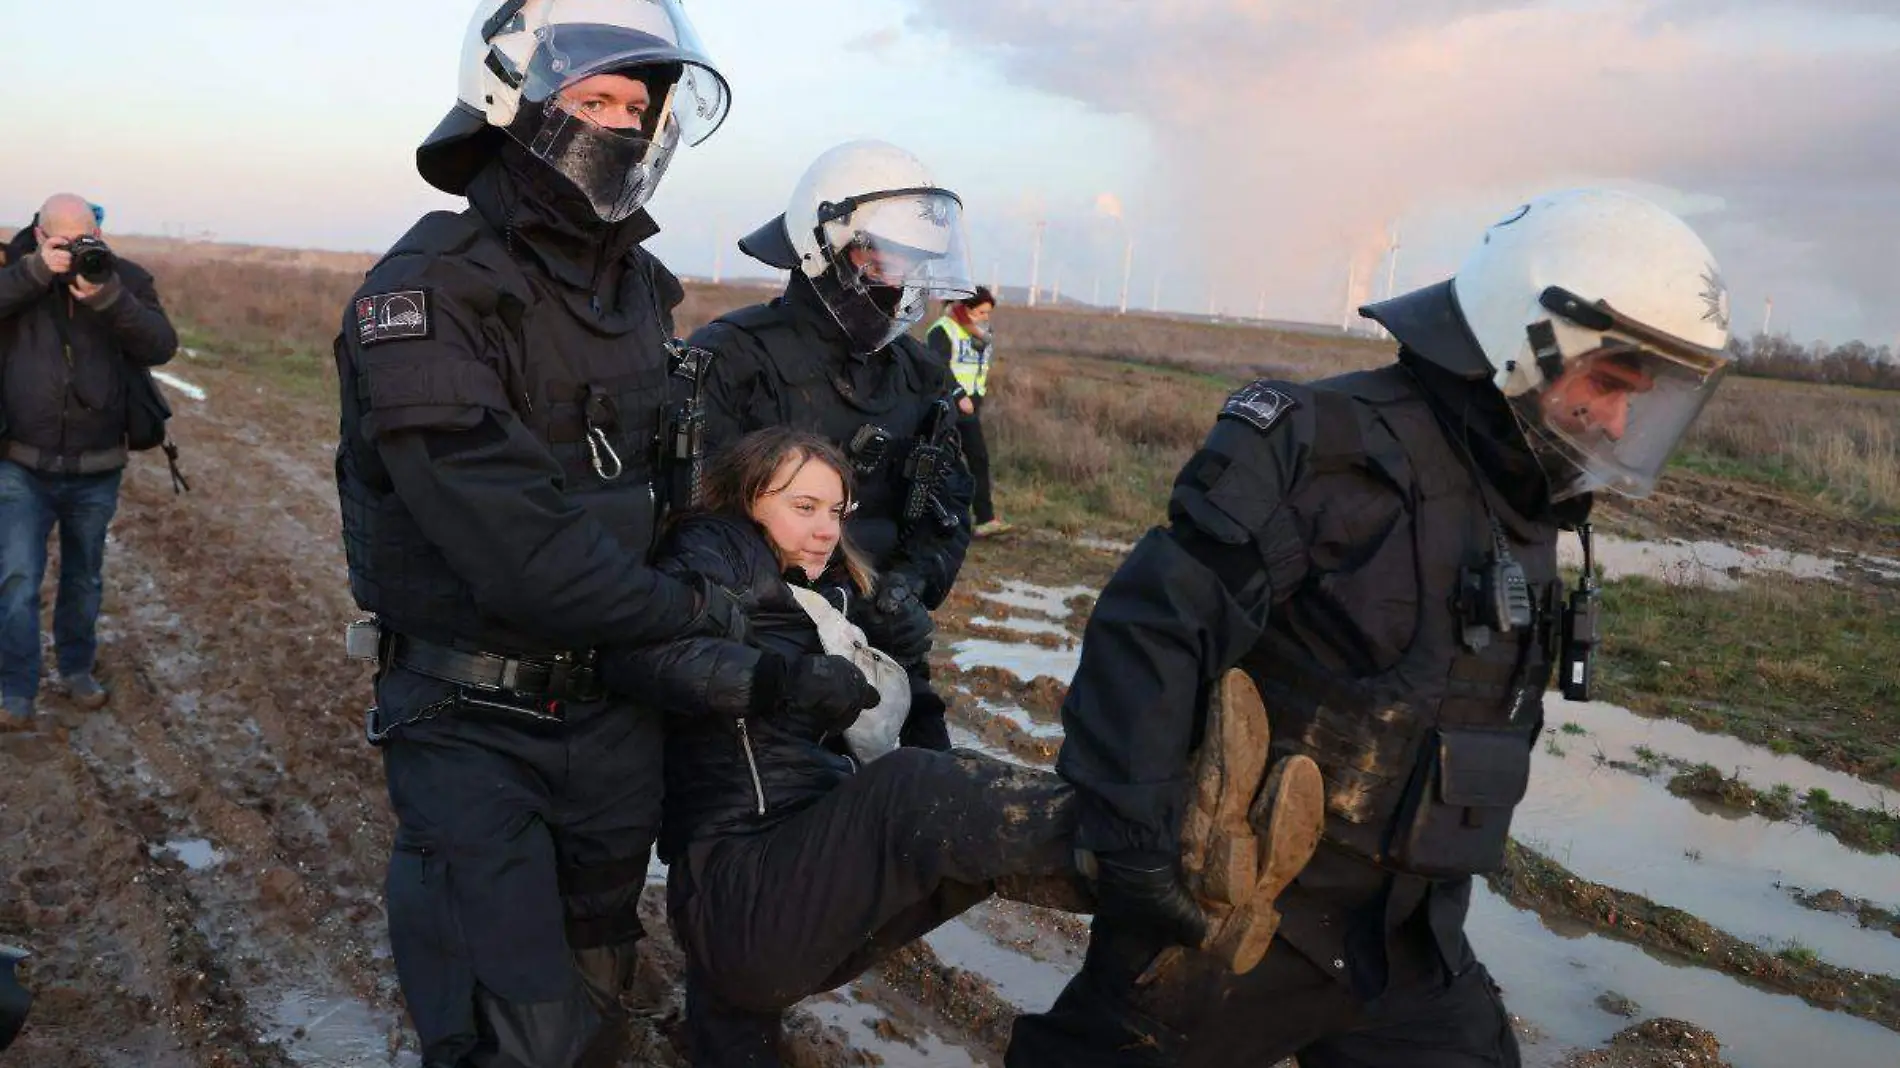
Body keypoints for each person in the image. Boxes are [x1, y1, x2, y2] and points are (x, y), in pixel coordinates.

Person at [1005, 189, 1736, 1068]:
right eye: (1606, 384)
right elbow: (1150, 633)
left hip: (1412, 948)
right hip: (1244, 920)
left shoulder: (1531, 502)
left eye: (1635, 398)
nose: (1617, 421)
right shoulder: (1328, 446)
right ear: (1526, 341)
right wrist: (1131, 846)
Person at [599, 426, 1319, 1067]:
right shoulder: (714, 553)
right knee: (914, 792)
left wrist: (905, 660)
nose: (825, 530)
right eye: (803, 507)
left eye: (836, 512)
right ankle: (1175, 830)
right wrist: (780, 680)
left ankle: (1193, 890)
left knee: (954, 831)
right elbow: (651, 657)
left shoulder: (830, 607)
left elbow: (910, 739)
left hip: (787, 914)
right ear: (747, 499)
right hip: (741, 889)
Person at [329, 2, 750, 1063]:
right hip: (473, 720)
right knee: (509, 1023)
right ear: (508, 102)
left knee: (599, 981)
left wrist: (712, 565)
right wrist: (695, 612)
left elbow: (679, 492)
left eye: (638, 105)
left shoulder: (642, 294)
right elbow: (515, 543)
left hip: (615, 722)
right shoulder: (428, 290)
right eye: (592, 99)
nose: (622, 125)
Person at [690, 140, 978, 753]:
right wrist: (816, 607)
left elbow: (948, 512)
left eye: (919, 265)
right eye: (890, 261)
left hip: (883, 659)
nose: (904, 285)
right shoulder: (733, 357)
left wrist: (907, 591)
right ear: (828, 250)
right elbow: (693, 523)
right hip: (763, 667)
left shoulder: (921, 375)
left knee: (927, 820)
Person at [0, 195, 177, 723]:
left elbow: (162, 345)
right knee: (15, 578)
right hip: (20, 462)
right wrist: (34, 274)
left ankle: (76, 670)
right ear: (40, 236)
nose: (80, 250)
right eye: (66, 242)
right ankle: (15, 689)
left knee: (84, 578)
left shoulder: (124, 279)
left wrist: (110, 298)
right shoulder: (17, 274)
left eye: (88, 240)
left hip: (97, 465)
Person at [927, 288, 1009, 536]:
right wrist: (958, 395)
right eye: (982, 312)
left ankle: (985, 519)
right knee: (942, 463)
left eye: (989, 313)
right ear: (967, 308)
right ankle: (933, 519)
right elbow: (938, 368)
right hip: (950, 405)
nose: (986, 317)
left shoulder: (983, 334)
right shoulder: (943, 329)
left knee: (978, 460)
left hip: (973, 403)